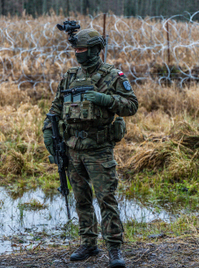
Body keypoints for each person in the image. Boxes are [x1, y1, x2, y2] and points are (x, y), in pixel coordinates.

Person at [42, 28, 138, 268]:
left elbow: (132, 105)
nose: (77, 54)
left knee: (106, 198)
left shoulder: (112, 75)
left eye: (82, 50)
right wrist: (48, 134)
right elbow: (55, 109)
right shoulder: (70, 76)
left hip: (99, 148)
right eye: (75, 50)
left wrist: (106, 100)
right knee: (81, 198)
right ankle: (89, 243)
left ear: (95, 50)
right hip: (73, 147)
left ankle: (114, 248)